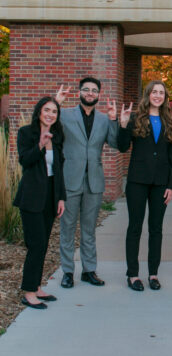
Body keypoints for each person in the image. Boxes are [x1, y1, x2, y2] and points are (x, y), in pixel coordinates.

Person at [55, 78, 117, 288]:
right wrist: (56, 103)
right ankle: (67, 272)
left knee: (89, 229)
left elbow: (116, 143)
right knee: (68, 227)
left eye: (94, 90)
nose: (90, 93)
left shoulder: (103, 119)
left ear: (99, 94)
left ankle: (89, 270)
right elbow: (49, 128)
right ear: (80, 92)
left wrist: (114, 119)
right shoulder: (64, 114)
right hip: (70, 179)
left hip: (94, 182)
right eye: (86, 90)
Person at [118, 81, 172, 291]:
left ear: (165, 97)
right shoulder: (136, 118)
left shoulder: (168, 121)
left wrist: (171, 185)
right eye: (155, 92)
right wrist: (123, 125)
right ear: (148, 94)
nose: (158, 95)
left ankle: (153, 273)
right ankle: (132, 274)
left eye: (161, 93)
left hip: (160, 183)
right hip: (137, 181)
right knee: (135, 227)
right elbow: (123, 146)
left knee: (156, 229)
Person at [14, 97, 66, 309]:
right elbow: (25, 160)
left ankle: (36, 287)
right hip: (32, 197)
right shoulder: (27, 133)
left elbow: (59, 169)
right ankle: (28, 292)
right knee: (35, 245)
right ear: (39, 112)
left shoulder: (58, 136)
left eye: (54, 111)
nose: (50, 114)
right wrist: (40, 145)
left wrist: (61, 197)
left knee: (43, 245)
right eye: (47, 110)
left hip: (50, 196)